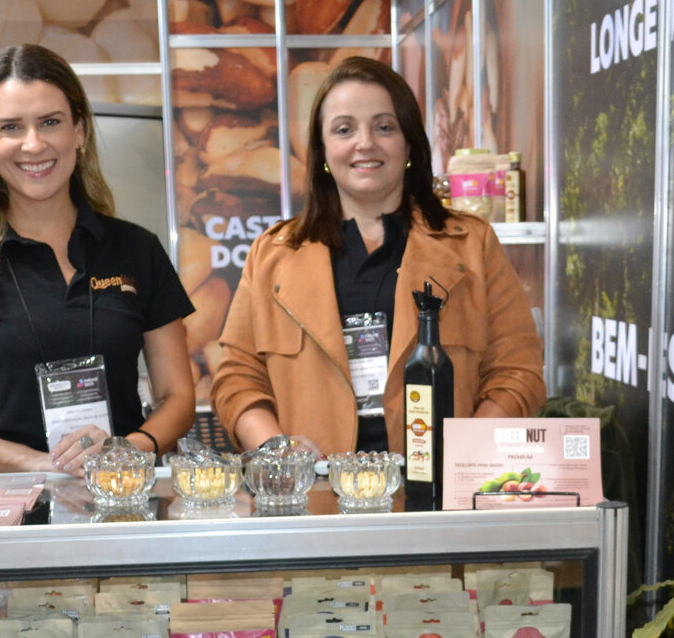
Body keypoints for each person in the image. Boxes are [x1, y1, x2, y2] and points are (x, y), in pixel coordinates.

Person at [213, 56, 545, 457]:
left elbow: (518, 372)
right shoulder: (271, 255)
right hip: (315, 489)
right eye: (344, 129)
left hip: (440, 487)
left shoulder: (475, 246)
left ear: (409, 144)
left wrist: (464, 455)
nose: (365, 142)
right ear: (322, 151)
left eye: (384, 127)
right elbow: (237, 379)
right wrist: (278, 451)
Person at [0, 46, 195, 474]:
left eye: (50, 122)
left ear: (79, 132)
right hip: (4, 503)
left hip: (121, 495)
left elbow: (178, 396)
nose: (33, 144)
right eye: (10, 127)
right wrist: (36, 464)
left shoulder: (137, 249)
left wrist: (129, 450)